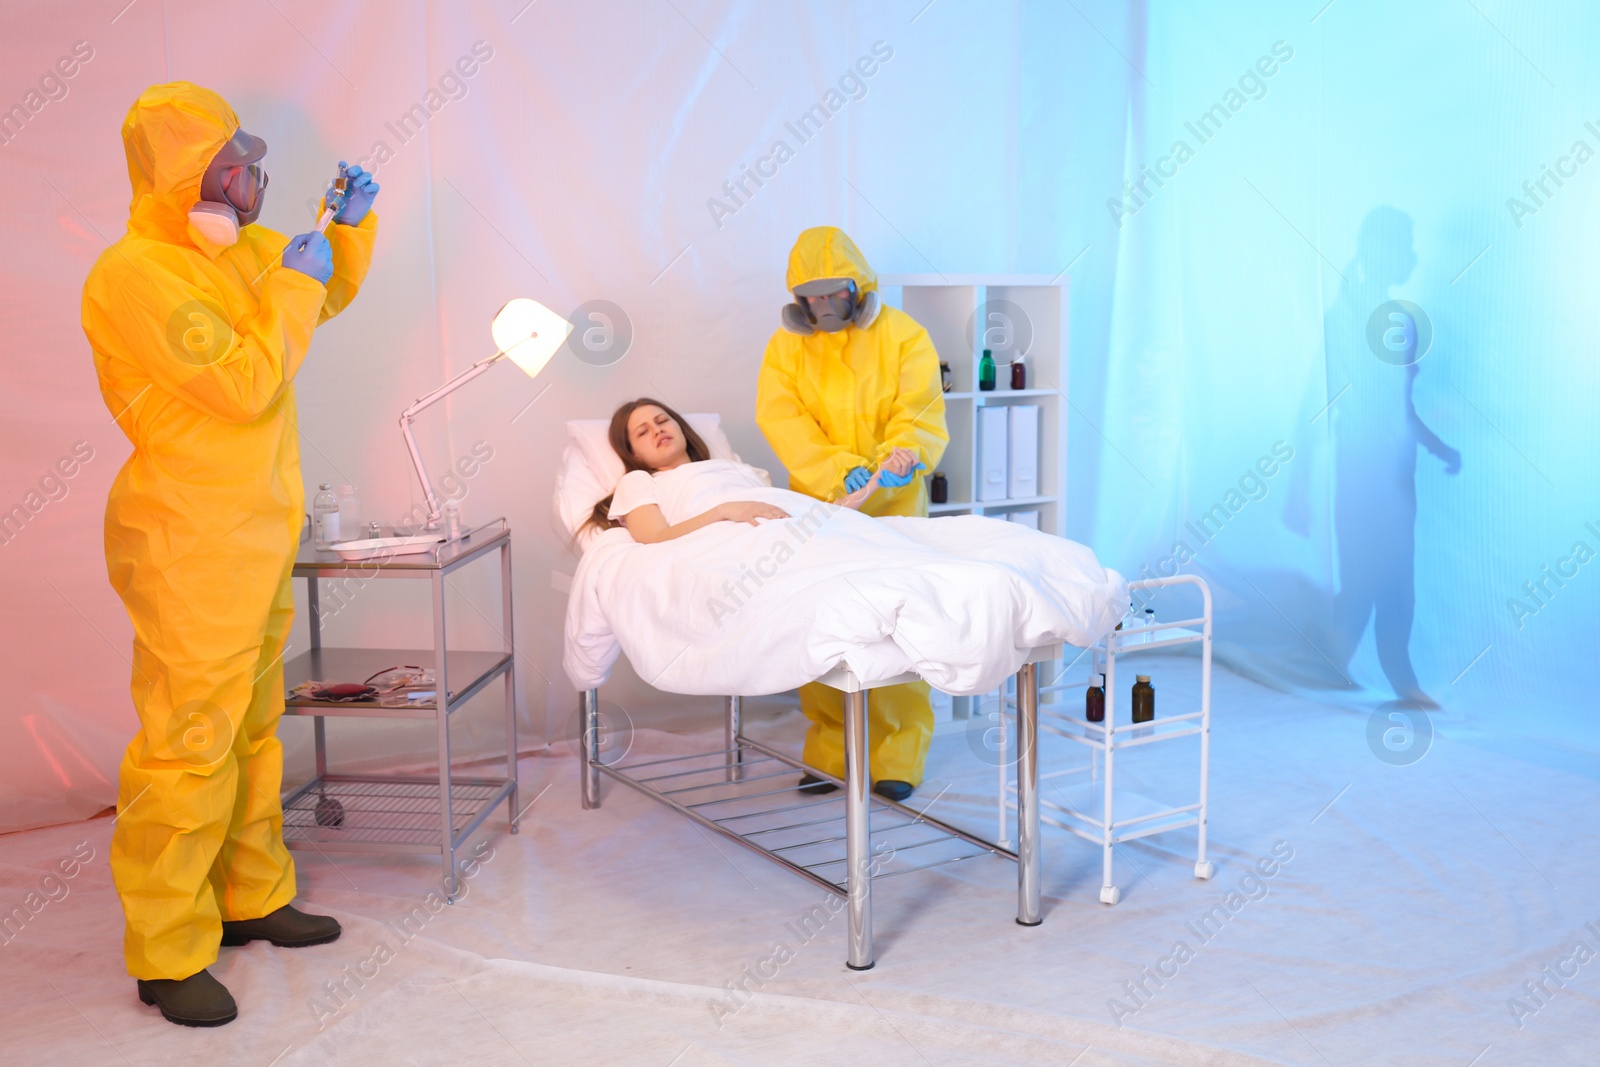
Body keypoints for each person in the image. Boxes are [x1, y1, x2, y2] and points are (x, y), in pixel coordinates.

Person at [81, 82, 379, 1027]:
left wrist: (347, 234)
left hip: (254, 531)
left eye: (250, 162)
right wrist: (293, 278)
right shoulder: (135, 274)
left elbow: (311, 300)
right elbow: (249, 380)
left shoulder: (233, 248)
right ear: (183, 177)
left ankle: (251, 896)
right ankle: (167, 948)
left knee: (252, 728)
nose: (255, 179)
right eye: (232, 165)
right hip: (190, 542)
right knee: (188, 746)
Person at [753, 226, 948, 802]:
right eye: (810, 297)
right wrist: (837, 470)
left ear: (857, 286)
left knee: (895, 630)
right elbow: (785, 423)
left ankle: (898, 752)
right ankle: (830, 750)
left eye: (833, 292)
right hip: (821, 506)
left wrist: (903, 455)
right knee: (822, 626)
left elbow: (919, 410)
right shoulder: (785, 347)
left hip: (894, 506)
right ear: (797, 298)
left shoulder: (904, 335)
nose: (823, 306)